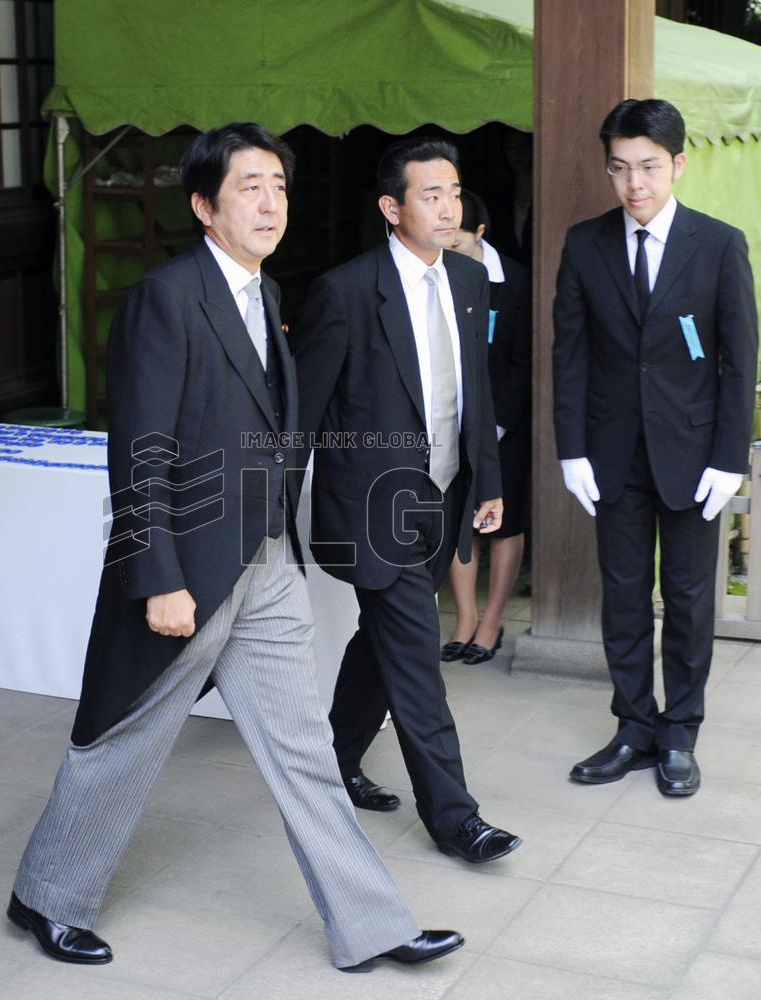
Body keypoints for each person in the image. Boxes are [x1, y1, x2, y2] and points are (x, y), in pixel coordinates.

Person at [6, 122, 464, 972]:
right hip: (186, 570)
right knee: (125, 741)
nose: (269, 201)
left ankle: (372, 926)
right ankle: (47, 894)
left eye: (279, 186)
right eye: (249, 186)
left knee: (303, 750)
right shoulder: (166, 298)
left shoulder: (270, 294)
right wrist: (158, 580)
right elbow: (136, 452)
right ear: (203, 206)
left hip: (264, 564)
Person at [292, 136, 521, 864]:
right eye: (431, 194)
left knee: (380, 645)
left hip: (445, 498)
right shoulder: (348, 290)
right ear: (393, 208)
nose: (448, 205)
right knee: (417, 654)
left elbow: (473, 389)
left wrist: (485, 479)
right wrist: (269, 512)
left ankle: (331, 759)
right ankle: (456, 819)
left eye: (454, 191)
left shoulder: (466, 277)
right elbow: (304, 410)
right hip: (375, 507)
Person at [553, 99, 757, 797]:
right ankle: (634, 725)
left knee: (691, 597)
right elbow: (570, 353)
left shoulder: (720, 244)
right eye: (619, 168)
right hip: (612, 453)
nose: (633, 184)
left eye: (647, 167)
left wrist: (731, 457)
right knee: (624, 595)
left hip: (695, 455)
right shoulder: (586, 243)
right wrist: (569, 448)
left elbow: (738, 361)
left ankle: (682, 731)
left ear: (677, 164)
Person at [441, 189, 532, 665]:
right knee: (461, 522)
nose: (447, 251)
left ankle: (492, 622)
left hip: (503, 427)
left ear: (479, 234)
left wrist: (498, 424)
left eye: (456, 243)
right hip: (452, 420)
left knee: (503, 522)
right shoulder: (437, 278)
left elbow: (523, 362)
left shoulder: (514, 282)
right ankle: (463, 618)